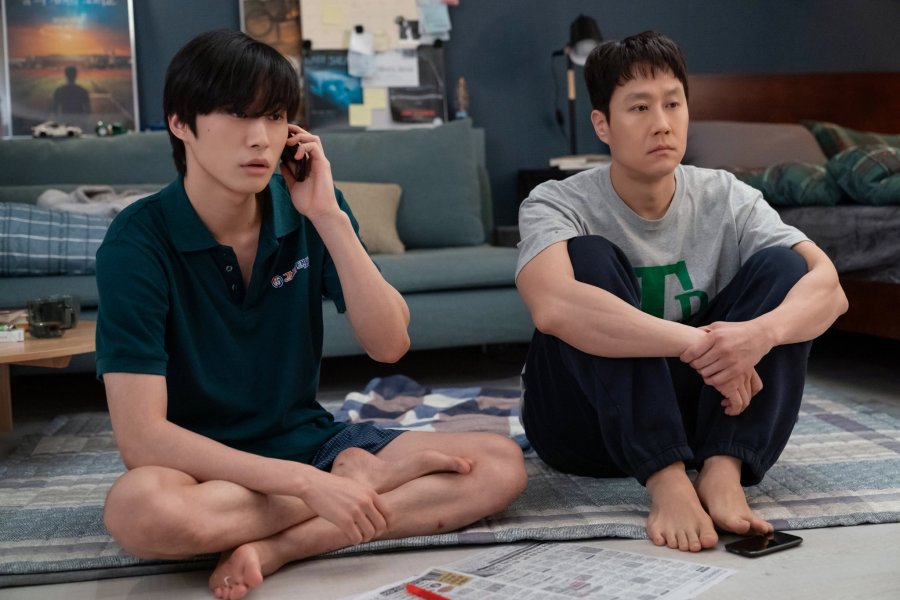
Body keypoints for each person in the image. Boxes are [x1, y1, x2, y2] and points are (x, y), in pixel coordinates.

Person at [96, 29, 526, 600]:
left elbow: (390, 345)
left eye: (275, 117)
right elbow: (142, 439)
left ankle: (281, 546)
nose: (260, 137)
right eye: (236, 114)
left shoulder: (310, 209)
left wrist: (328, 216)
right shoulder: (136, 242)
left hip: (308, 441)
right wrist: (309, 484)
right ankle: (359, 487)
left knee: (499, 463)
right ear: (180, 123)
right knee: (139, 511)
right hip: (205, 468)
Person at [515, 31, 848, 553]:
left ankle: (723, 467)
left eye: (673, 104)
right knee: (588, 258)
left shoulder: (727, 195)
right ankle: (666, 478)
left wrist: (759, 335)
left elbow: (830, 290)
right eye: (639, 108)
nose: (662, 123)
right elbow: (553, 306)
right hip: (584, 427)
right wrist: (701, 344)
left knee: (786, 267)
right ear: (602, 124)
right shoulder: (555, 201)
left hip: (700, 422)